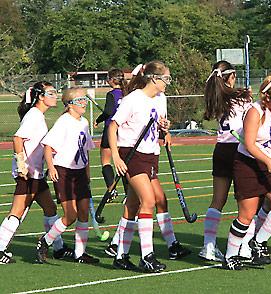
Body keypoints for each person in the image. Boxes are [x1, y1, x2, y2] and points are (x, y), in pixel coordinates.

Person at [108, 60, 174, 273]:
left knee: (133, 206)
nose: (168, 83)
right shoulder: (133, 99)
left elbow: (155, 124)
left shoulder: (157, 99)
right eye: (166, 79)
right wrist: (116, 157)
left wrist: (164, 128)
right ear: (154, 78)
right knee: (149, 201)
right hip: (132, 154)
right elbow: (112, 126)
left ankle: (121, 255)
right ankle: (147, 256)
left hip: (150, 154)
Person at [223, 74, 271, 270]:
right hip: (249, 164)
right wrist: (268, 161)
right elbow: (250, 144)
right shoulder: (254, 112)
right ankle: (230, 256)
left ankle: (258, 242)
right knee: (246, 215)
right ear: (267, 97)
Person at [0, 82, 72, 264]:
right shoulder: (33, 116)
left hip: (36, 173)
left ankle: (58, 247)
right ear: (40, 96)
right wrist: (21, 164)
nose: (55, 95)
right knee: (17, 211)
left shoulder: (38, 116)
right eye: (51, 93)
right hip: (29, 173)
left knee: (50, 208)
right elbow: (17, 138)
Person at [36, 87, 99, 264]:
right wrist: (51, 167)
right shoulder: (64, 121)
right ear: (70, 105)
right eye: (80, 101)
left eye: (84, 99)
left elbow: (86, 151)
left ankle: (80, 253)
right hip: (64, 171)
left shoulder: (84, 122)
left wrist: (87, 173)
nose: (84, 103)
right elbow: (48, 146)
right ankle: (45, 241)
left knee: (84, 211)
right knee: (70, 215)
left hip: (79, 172)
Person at [198, 60, 252, 262]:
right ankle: (244, 247)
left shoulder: (217, 95)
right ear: (230, 77)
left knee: (217, 200)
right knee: (245, 199)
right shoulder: (242, 96)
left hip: (221, 149)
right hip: (239, 149)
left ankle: (208, 246)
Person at [94, 69, 128, 200]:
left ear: (111, 80)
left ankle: (111, 190)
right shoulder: (127, 94)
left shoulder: (111, 94)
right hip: (124, 130)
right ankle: (128, 194)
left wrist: (98, 119)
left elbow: (108, 112)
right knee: (123, 163)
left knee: (106, 162)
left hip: (111, 130)